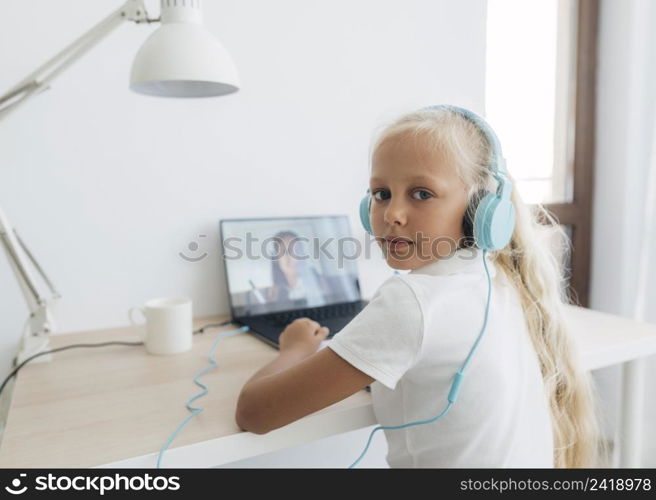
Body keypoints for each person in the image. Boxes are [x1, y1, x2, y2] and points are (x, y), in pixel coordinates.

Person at [235, 106, 605, 468]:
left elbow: (253, 413)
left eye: (421, 193)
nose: (392, 214)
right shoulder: (500, 278)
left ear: (479, 209)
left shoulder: (412, 301)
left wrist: (295, 349)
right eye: (381, 194)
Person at [266, 230, 327, 307]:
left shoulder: (316, 278)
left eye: (297, 251)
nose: (294, 257)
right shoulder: (275, 291)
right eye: (285, 252)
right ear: (276, 259)